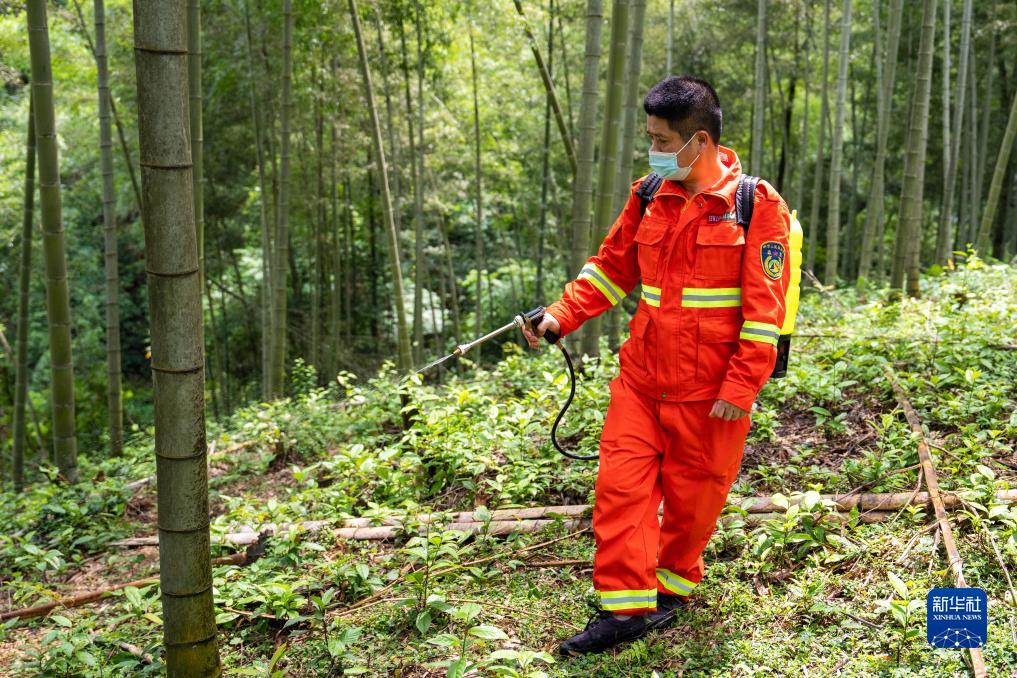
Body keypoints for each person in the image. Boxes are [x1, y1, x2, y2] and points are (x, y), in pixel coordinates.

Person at [521, 75, 792, 656]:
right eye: (650, 137)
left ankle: (671, 587)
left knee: (694, 505)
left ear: (699, 141)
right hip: (642, 382)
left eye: (662, 140)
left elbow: (764, 313)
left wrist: (740, 387)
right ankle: (623, 611)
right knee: (620, 490)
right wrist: (561, 315)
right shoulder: (649, 194)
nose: (653, 149)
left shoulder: (755, 206)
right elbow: (610, 268)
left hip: (710, 395)